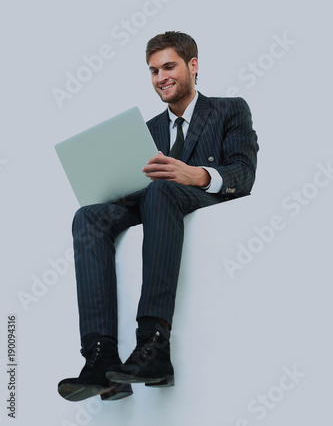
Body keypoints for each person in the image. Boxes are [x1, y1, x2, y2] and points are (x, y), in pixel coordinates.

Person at [57, 31, 259, 402]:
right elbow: (139, 190)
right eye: (153, 71)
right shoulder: (146, 130)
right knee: (88, 216)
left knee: (162, 189)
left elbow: (244, 173)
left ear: (193, 66)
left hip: (199, 198)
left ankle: (153, 348)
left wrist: (196, 174)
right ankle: (100, 360)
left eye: (169, 67)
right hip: (154, 202)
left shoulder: (230, 109)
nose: (161, 77)